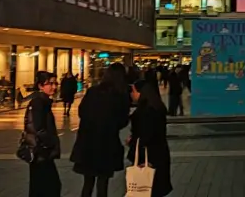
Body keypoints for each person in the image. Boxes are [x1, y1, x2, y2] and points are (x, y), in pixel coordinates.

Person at [70, 63, 130, 196]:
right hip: (107, 144)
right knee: (103, 183)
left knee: (87, 182)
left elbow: (82, 112)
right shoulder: (120, 95)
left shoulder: (93, 91)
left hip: (88, 142)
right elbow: (123, 120)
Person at [128, 80, 173, 196]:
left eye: (133, 91)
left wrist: (133, 141)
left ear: (141, 92)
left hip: (149, 157)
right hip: (159, 154)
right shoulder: (156, 107)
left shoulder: (146, 111)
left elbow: (146, 135)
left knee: (148, 190)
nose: (131, 94)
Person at [24, 71, 61, 197]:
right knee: (50, 187)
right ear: (40, 86)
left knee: (42, 188)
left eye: (55, 83)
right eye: (50, 83)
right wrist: (52, 143)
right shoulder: (38, 103)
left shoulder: (43, 102)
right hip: (41, 153)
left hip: (42, 152)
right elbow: (39, 129)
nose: (54, 87)